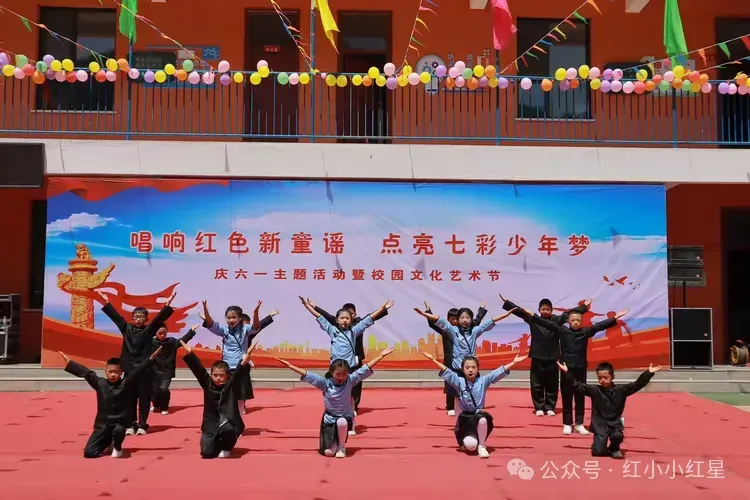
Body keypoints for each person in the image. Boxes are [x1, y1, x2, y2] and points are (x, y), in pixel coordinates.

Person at [274, 346, 395, 458]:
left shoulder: (350, 380)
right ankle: (335, 443)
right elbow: (307, 374)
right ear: (331, 373)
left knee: (341, 422)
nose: (341, 377)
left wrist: (381, 356)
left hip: (344, 419)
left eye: (344, 374)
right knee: (328, 453)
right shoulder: (324, 382)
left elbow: (365, 368)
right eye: (338, 374)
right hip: (329, 420)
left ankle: (342, 446)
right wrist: (290, 365)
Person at [300, 296, 393, 434]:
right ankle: (332, 421)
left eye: (347, 318)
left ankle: (350, 423)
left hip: (349, 370)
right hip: (335, 371)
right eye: (342, 318)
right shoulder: (332, 331)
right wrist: (308, 307)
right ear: (337, 320)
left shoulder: (354, 331)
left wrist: (381, 308)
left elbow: (368, 320)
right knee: (333, 396)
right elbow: (320, 317)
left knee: (349, 397)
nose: (344, 320)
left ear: (351, 320)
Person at [527, 308, 628, 435]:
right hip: (566, 369)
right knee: (567, 396)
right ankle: (567, 424)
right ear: (568, 321)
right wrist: (533, 316)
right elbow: (547, 323)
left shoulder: (585, 332)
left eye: (578, 320)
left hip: (580, 368)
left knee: (580, 396)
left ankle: (579, 424)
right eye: (573, 320)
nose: (575, 322)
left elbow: (599, 326)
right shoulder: (562, 331)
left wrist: (615, 317)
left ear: (581, 321)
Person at [421, 351, 527, 458]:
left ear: (478, 369)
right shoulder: (459, 381)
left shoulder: (483, 381)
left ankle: (482, 446)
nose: (470, 370)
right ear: (463, 369)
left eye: (473, 367)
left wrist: (514, 362)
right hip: (465, 420)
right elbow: (447, 371)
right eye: (467, 367)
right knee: (471, 446)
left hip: (478, 416)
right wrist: (433, 359)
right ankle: (470, 443)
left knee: (482, 418)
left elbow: (497, 372)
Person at [59, 347, 162, 458]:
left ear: (121, 373)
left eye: (116, 372)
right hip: (102, 426)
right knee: (89, 453)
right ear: (106, 372)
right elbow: (87, 373)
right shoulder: (100, 383)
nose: (113, 374)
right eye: (110, 372)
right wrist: (70, 363)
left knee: (119, 430)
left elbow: (137, 372)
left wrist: (151, 359)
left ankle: (117, 447)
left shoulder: (126, 384)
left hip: (119, 424)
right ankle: (108, 441)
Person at [98, 290, 175, 435]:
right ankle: (131, 424)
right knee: (129, 399)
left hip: (144, 370)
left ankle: (142, 425)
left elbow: (159, 319)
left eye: (141, 316)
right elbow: (115, 317)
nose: (138, 318)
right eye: (136, 316)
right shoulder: (126, 328)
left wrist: (167, 304)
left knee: (144, 399)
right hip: (129, 370)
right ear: (132, 318)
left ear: (146, 319)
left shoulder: (149, 331)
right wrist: (106, 301)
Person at [500, 294, 590, 417]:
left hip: (553, 357)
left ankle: (550, 407)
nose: (546, 311)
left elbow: (570, 313)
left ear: (552, 310)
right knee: (536, 383)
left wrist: (584, 307)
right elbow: (520, 312)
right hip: (537, 356)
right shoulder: (533, 319)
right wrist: (507, 303)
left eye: (548, 309)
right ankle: (539, 407)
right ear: (539, 310)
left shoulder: (557, 320)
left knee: (552, 383)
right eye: (543, 309)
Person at [557, 361, 660, 458]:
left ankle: (614, 447)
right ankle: (600, 446)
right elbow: (577, 386)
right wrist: (567, 372)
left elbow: (637, 385)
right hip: (600, 424)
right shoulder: (595, 390)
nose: (602, 380)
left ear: (612, 377)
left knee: (617, 435)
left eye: (605, 377)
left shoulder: (621, 390)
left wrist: (648, 373)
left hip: (614, 423)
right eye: (600, 377)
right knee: (597, 452)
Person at [181, 340, 256, 458]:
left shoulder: (231, 383)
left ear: (227, 375)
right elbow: (199, 370)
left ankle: (227, 446)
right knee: (206, 453)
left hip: (229, 422)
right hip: (211, 423)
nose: (218, 378)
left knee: (227, 431)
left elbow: (238, 371)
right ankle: (215, 443)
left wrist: (245, 360)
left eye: (221, 375)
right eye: (215, 375)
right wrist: (190, 354)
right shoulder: (207, 383)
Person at [422, 301, 489, 416]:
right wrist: (428, 311)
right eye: (451, 319)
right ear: (448, 320)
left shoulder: (467, 330)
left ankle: (471, 403)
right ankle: (450, 406)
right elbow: (433, 323)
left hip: (465, 362)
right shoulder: (446, 330)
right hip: (450, 361)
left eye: (455, 319)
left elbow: (477, 321)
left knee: (468, 383)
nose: (454, 321)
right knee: (450, 384)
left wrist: (481, 310)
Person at [200, 300, 263, 414]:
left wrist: (255, 312)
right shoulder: (224, 330)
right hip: (227, 368)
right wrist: (206, 310)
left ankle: (239, 426)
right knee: (225, 396)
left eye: (234, 317)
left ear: (240, 318)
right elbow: (210, 323)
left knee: (239, 399)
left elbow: (256, 326)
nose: (231, 320)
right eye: (228, 318)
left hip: (240, 366)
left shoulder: (245, 329)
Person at [150, 323, 198, 415]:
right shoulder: (150, 342)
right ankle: (156, 405)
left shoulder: (171, 341)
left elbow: (183, 340)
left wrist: (191, 331)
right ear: (155, 333)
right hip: (154, 370)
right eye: (160, 333)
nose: (162, 335)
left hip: (167, 371)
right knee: (154, 391)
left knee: (163, 389)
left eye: (164, 333)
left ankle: (164, 407)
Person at [240, 307, 280, 404]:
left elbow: (259, 326)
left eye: (249, 324)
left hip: (244, 362)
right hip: (231, 362)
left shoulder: (249, 334)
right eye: (246, 324)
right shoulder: (230, 332)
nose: (248, 327)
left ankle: (242, 404)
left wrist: (270, 316)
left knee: (243, 383)